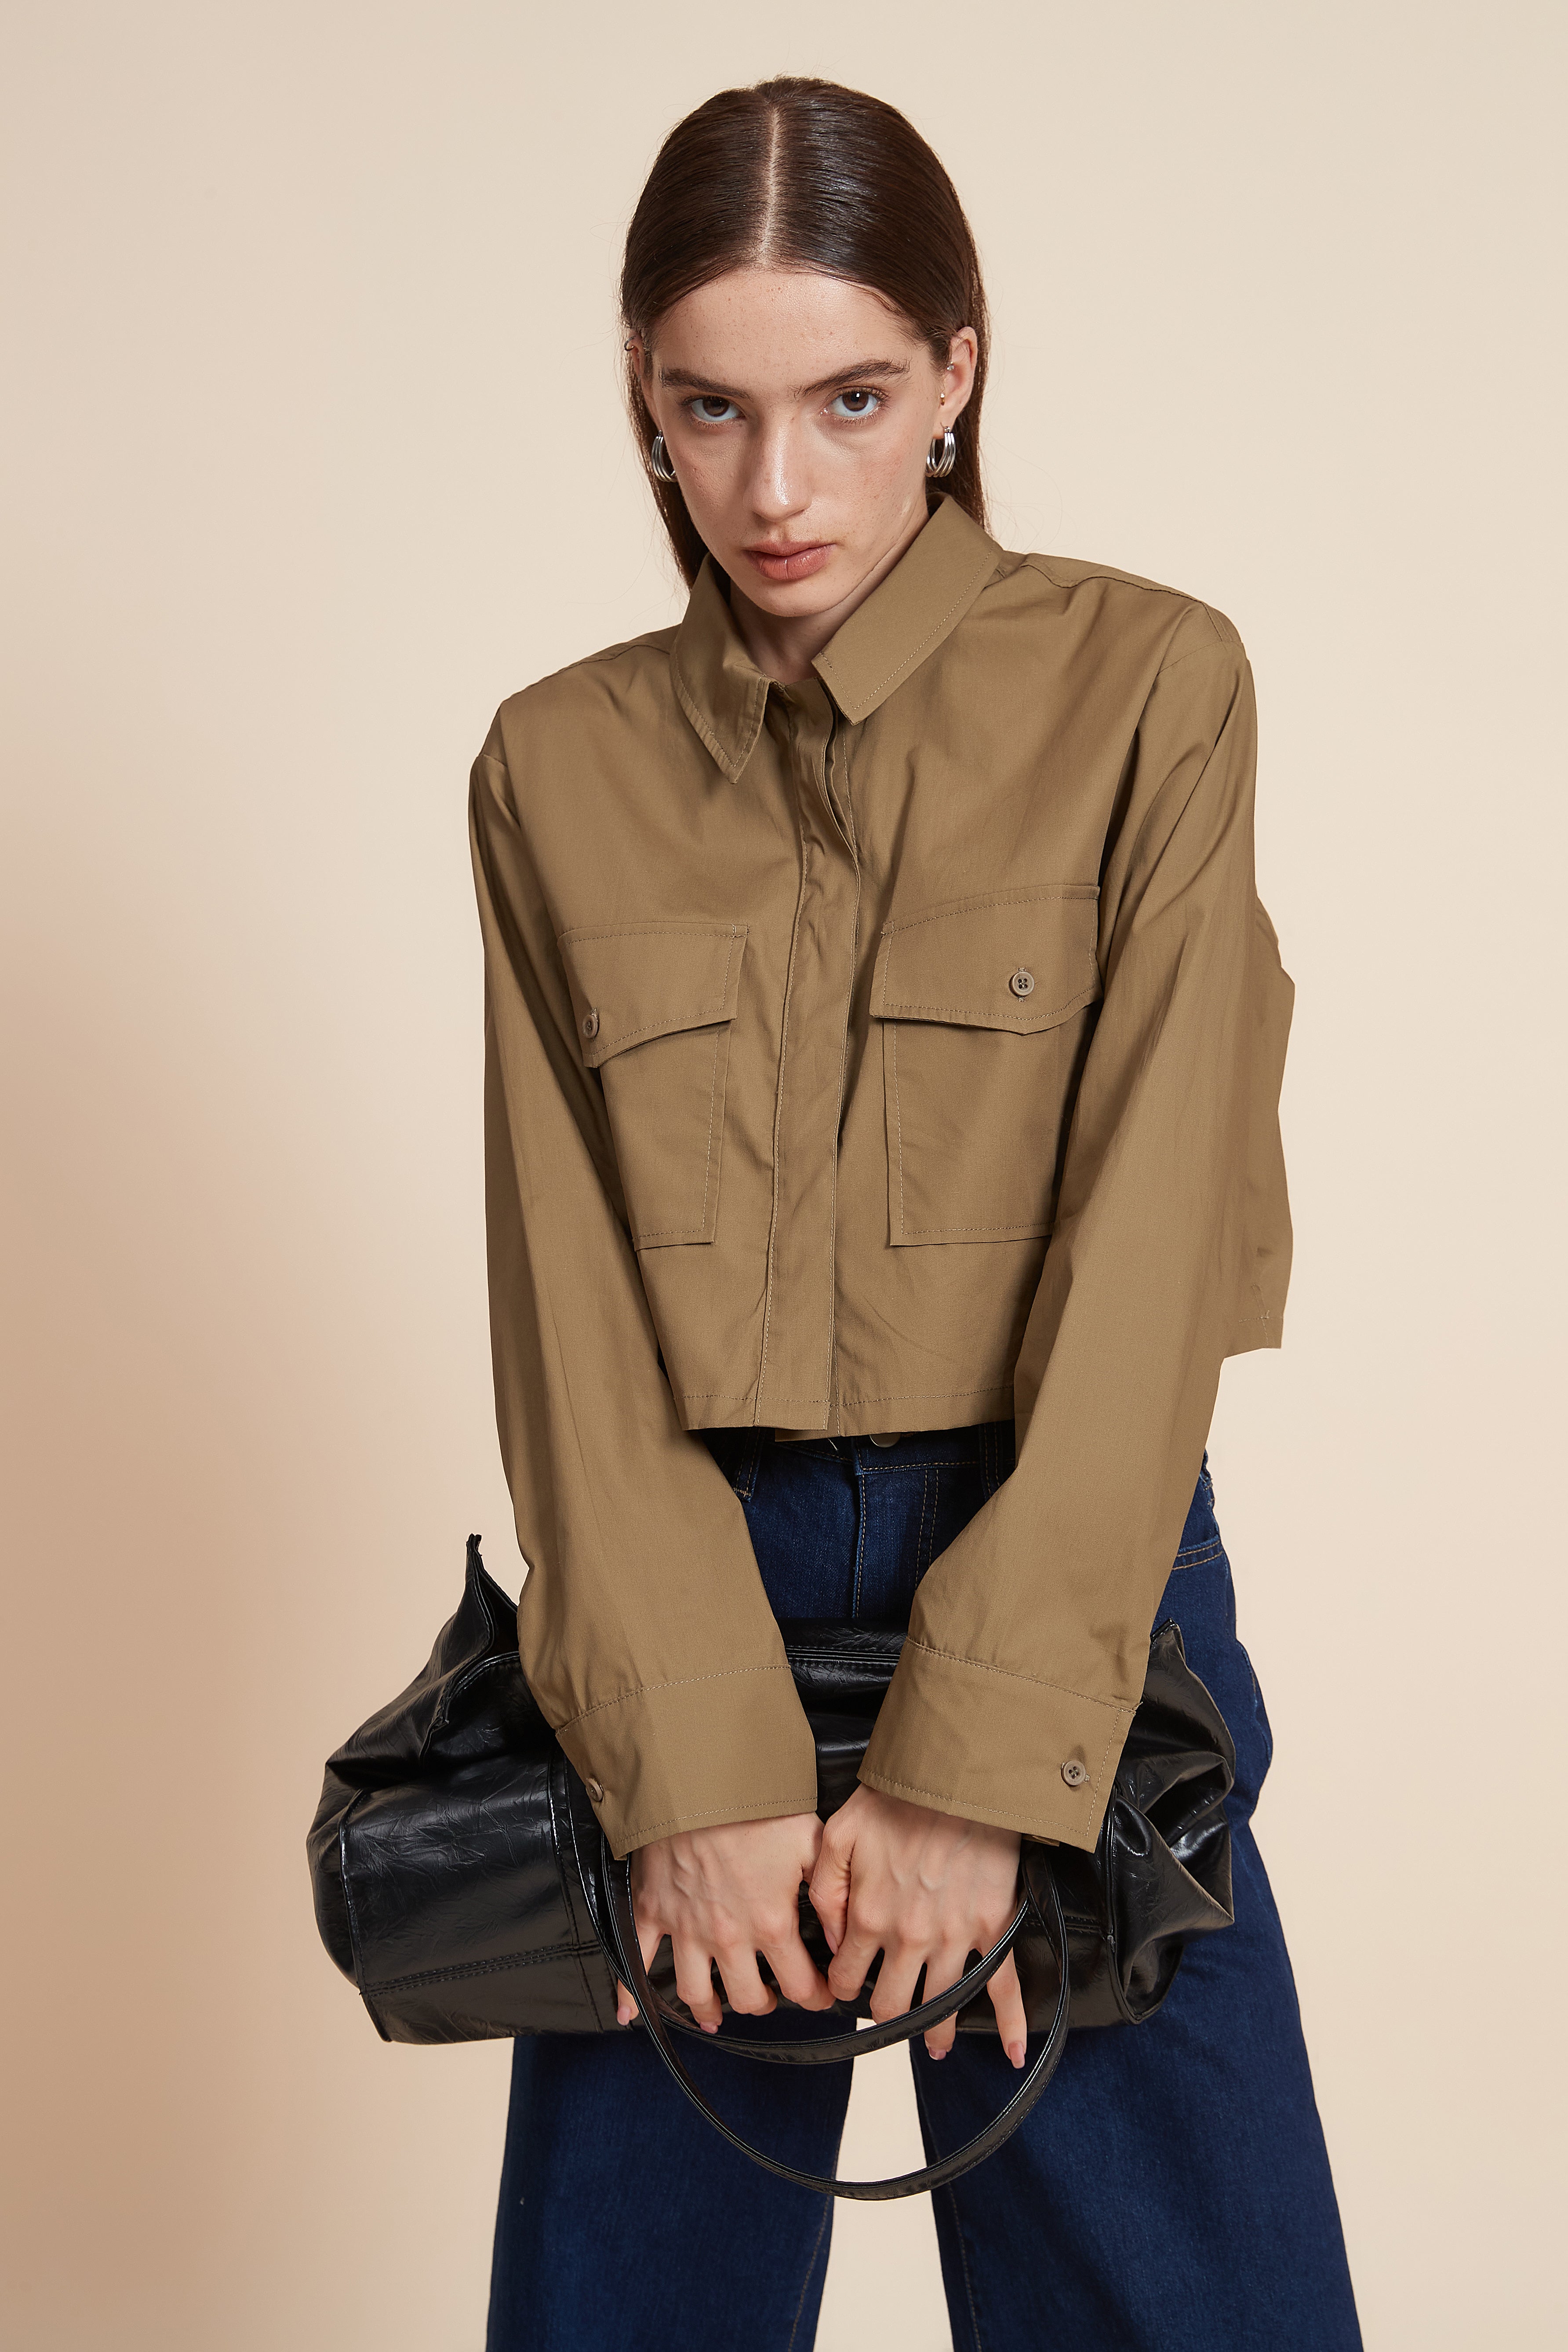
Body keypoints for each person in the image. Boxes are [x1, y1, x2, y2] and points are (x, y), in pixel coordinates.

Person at [472, 75, 1361, 2352]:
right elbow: (567, 1305)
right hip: (683, 1594)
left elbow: (1156, 1246)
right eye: (713, 408)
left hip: (1065, 1573)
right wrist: (689, 1767)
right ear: (645, 401)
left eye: (851, 400)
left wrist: (985, 1762)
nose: (778, 488)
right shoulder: (553, 766)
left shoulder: (1153, 689)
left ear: (959, 375)